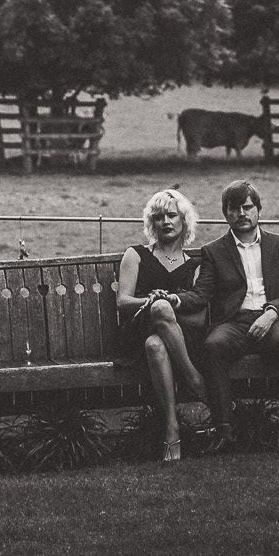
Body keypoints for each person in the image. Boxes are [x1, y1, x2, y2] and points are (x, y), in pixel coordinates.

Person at [192, 179, 279, 453]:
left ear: (259, 209)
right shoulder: (213, 252)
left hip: (272, 320)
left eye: (248, 207)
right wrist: (172, 298)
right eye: (234, 209)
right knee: (213, 346)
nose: (242, 214)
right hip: (234, 323)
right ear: (226, 214)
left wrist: (272, 312)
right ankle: (224, 432)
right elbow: (201, 295)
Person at [116, 188, 208, 461]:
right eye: (159, 217)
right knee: (157, 309)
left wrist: (167, 309)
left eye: (172, 215)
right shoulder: (136, 255)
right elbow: (122, 301)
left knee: (156, 345)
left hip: (180, 338)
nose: (166, 222)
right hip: (138, 331)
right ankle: (194, 378)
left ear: (184, 221)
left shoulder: (195, 265)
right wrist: (152, 303)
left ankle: (171, 430)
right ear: (152, 224)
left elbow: (200, 317)